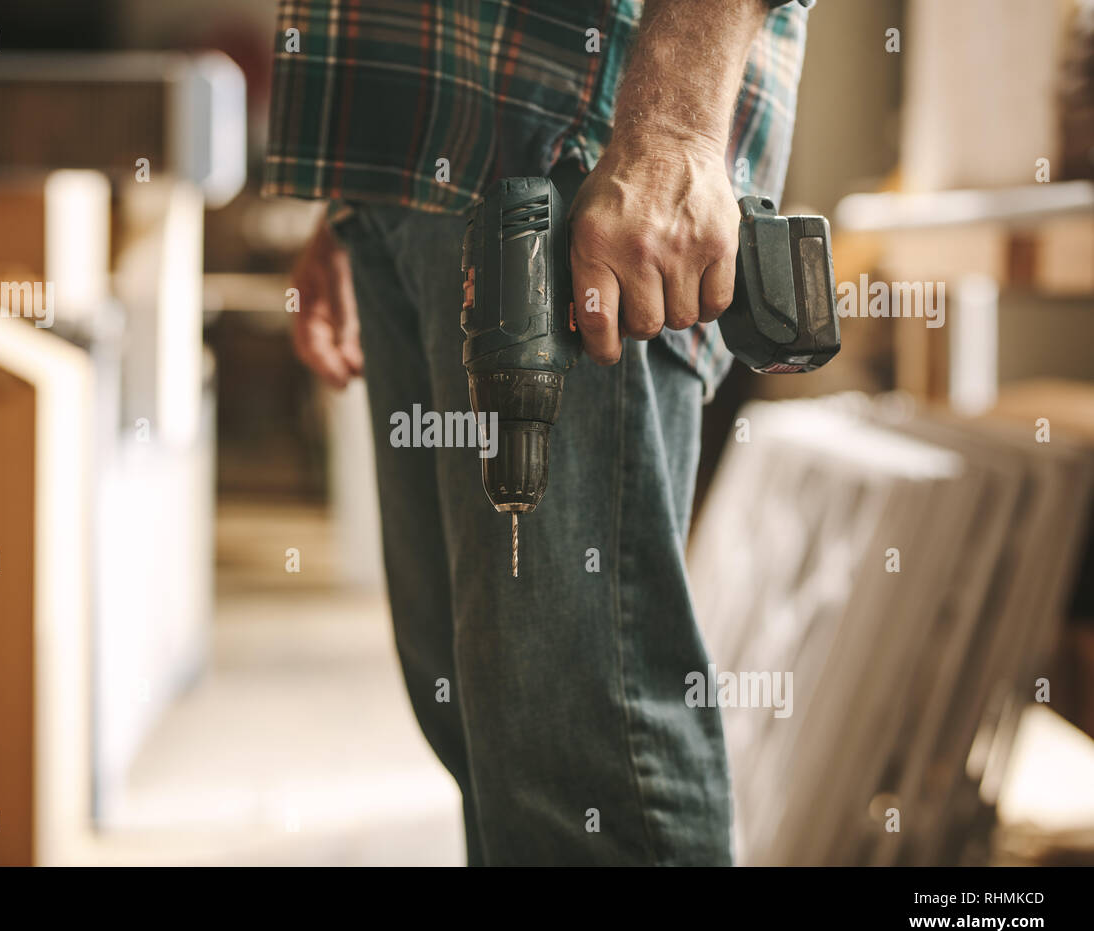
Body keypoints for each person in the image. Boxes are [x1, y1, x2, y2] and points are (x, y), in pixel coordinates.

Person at [264, 0, 812, 865]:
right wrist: (358, 201)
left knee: (583, 773)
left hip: (581, 167)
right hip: (408, 160)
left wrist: (675, 124)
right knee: (490, 744)